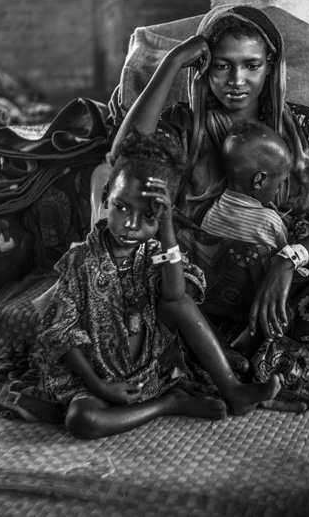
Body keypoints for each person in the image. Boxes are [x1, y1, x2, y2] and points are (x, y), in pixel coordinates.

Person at [112, 4, 309, 381]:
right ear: (203, 67)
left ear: (270, 66)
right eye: (222, 65)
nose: (237, 79)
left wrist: (287, 259)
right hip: (208, 269)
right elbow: (124, 158)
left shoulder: (304, 127)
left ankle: (239, 336)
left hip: (285, 264)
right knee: (153, 249)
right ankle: (256, 337)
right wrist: (171, 62)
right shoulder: (185, 126)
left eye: (252, 65)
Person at [33, 128, 280, 439]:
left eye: (148, 216)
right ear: (107, 196)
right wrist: (100, 386)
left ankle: (232, 388)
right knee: (83, 422)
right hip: (94, 377)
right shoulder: (80, 261)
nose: (131, 225)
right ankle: (166, 404)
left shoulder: (155, 252)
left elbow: (176, 295)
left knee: (179, 300)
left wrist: (166, 230)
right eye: (121, 207)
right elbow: (63, 333)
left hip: (148, 365)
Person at [201, 120, 291, 250]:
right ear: (259, 181)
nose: (279, 190)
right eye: (279, 184)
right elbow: (285, 260)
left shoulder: (211, 210)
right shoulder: (270, 222)